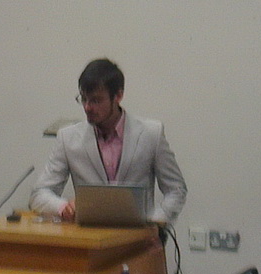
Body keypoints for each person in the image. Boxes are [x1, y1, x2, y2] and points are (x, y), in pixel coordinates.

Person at [30, 58, 187, 224]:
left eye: (96, 100)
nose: (87, 107)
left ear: (118, 96)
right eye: (84, 99)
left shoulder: (151, 134)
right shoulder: (68, 138)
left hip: (141, 235)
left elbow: (176, 189)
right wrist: (63, 207)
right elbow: (39, 194)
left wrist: (156, 222)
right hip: (89, 236)